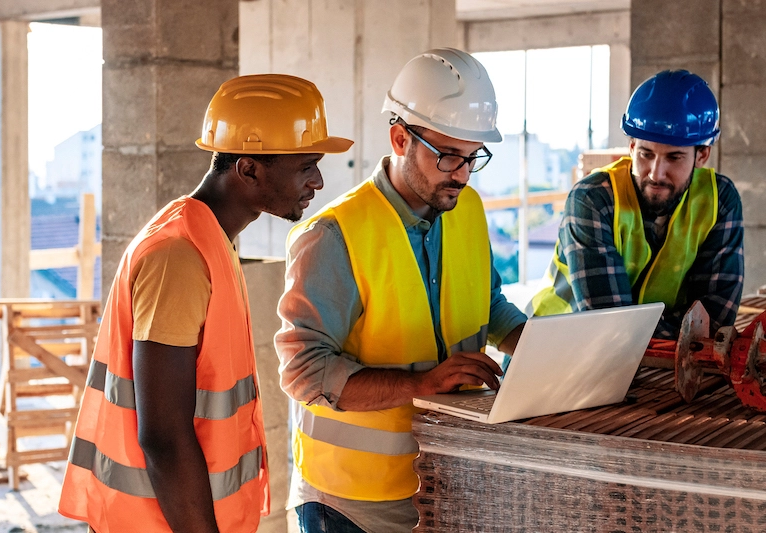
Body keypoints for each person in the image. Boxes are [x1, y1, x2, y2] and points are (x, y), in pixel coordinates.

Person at [58, 74, 353, 533]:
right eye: (306, 165)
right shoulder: (179, 256)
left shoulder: (211, 239)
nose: (317, 180)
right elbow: (163, 437)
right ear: (249, 169)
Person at [275, 48, 528, 533]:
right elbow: (303, 371)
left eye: (473, 157)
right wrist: (420, 385)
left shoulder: (467, 210)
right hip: (352, 503)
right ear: (400, 138)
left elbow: (488, 305)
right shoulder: (334, 235)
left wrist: (542, 349)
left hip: (447, 477)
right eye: (449, 155)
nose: (462, 173)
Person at [529, 69, 743, 338]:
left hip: (647, 361)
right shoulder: (593, 200)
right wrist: (684, 333)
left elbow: (714, 319)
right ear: (631, 147)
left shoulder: (719, 200)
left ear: (702, 155)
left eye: (674, 157)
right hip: (551, 350)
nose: (656, 173)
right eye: (646, 154)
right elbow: (611, 325)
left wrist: (681, 334)